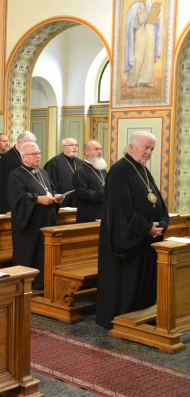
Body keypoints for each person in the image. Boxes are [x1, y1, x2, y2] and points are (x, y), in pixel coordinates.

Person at [96, 132, 169, 330]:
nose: (149, 152)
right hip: (129, 241)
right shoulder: (119, 170)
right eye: (146, 147)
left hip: (146, 239)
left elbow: (157, 201)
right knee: (127, 284)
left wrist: (161, 223)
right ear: (131, 147)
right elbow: (121, 211)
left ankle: (142, 316)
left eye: (152, 149)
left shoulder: (143, 170)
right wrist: (146, 227)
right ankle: (121, 319)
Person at [7, 142, 64, 289]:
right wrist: (38, 199)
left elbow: (50, 189)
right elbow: (17, 198)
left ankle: (45, 282)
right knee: (32, 252)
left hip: (47, 219)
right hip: (30, 223)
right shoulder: (16, 175)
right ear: (24, 157)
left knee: (45, 252)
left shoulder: (43, 172)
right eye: (34, 154)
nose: (38, 156)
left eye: (39, 153)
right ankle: (28, 284)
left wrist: (56, 196)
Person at [124, 0, 162, 88]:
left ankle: (145, 80)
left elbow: (157, 20)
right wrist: (137, 15)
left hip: (150, 31)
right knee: (138, 54)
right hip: (139, 32)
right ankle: (132, 81)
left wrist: (158, 10)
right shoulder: (135, 6)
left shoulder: (151, 6)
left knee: (148, 54)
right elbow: (129, 23)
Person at [0, 131, 36, 214]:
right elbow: (3, 185)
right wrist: (9, 208)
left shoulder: (28, 157)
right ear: (19, 142)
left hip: (25, 202)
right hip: (11, 205)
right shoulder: (7, 158)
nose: (31, 148)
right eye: (28, 144)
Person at [73, 140, 107, 223]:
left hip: (103, 211)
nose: (100, 152)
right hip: (88, 214)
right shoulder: (81, 171)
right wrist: (104, 194)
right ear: (87, 152)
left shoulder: (102, 170)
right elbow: (82, 193)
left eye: (100, 149)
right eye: (96, 149)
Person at [44, 138, 83, 208]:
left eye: (76, 145)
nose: (75, 147)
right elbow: (50, 185)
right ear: (63, 148)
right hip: (61, 202)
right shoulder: (53, 163)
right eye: (71, 145)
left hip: (79, 201)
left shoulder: (81, 163)